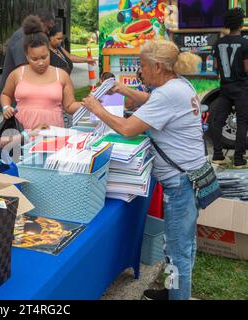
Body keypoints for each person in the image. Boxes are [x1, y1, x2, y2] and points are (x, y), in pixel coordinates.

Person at [83, 40, 204, 300]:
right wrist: (123, 90)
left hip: (180, 183)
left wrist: (98, 109)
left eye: (143, 66)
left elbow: (127, 128)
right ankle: (174, 292)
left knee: (177, 250)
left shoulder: (168, 93)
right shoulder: (179, 85)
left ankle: (178, 297)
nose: (140, 71)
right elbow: (151, 101)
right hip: (192, 176)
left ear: (158, 67)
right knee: (185, 243)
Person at [1, 16, 83, 130]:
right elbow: (6, 94)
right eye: (34, 59)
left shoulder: (62, 75)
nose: (40, 63)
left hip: (53, 133)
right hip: (23, 134)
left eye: (44, 57)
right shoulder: (17, 74)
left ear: (49, 51)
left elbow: (69, 106)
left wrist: (86, 104)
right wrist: (6, 107)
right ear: (26, 55)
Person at [0, 9, 55, 112]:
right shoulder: (22, 38)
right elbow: (23, 71)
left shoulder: (27, 37)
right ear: (40, 22)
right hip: (15, 102)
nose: (48, 32)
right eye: (48, 27)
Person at [211, 7, 248, 168]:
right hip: (241, 89)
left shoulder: (218, 43)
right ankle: (239, 159)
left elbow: (216, 66)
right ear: (240, 24)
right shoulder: (245, 43)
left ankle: (218, 155)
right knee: (242, 122)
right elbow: (247, 69)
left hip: (225, 88)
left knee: (218, 121)